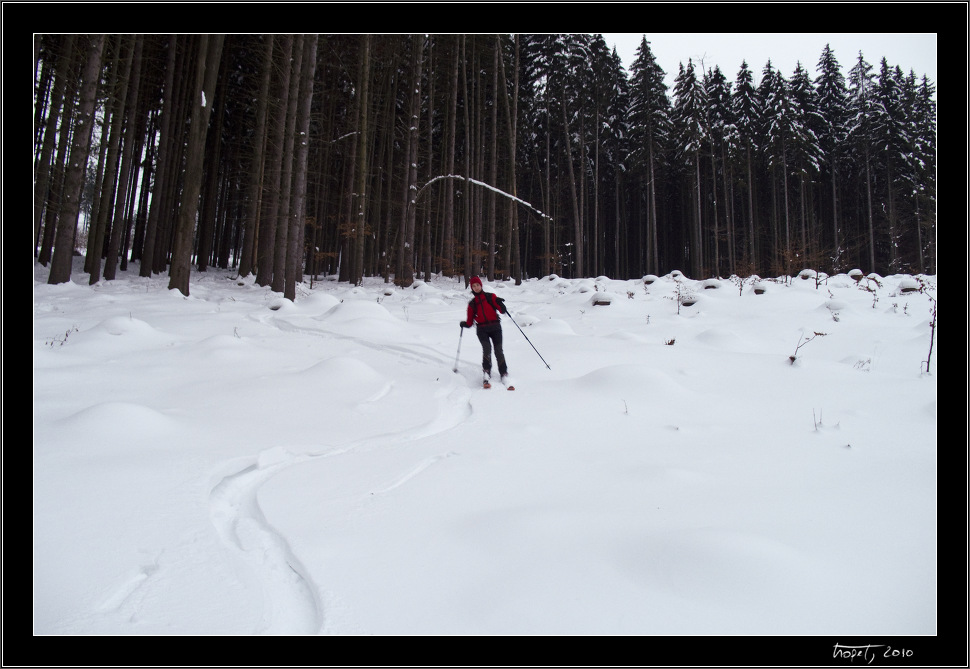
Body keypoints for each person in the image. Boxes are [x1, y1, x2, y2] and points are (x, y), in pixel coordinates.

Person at [460, 276, 509, 387]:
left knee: (498, 350)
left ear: (481, 285)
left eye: (477, 285)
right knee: (487, 349)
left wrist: (501, 304)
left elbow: (502, 310)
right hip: (482, 330)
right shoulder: (472, 303)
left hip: (495, 327)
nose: (476, 288)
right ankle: (486, 373)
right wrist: (465, 324)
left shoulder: (490, 297)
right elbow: (469, 321)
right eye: (473, 286)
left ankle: (504, 373)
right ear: (471, 288)